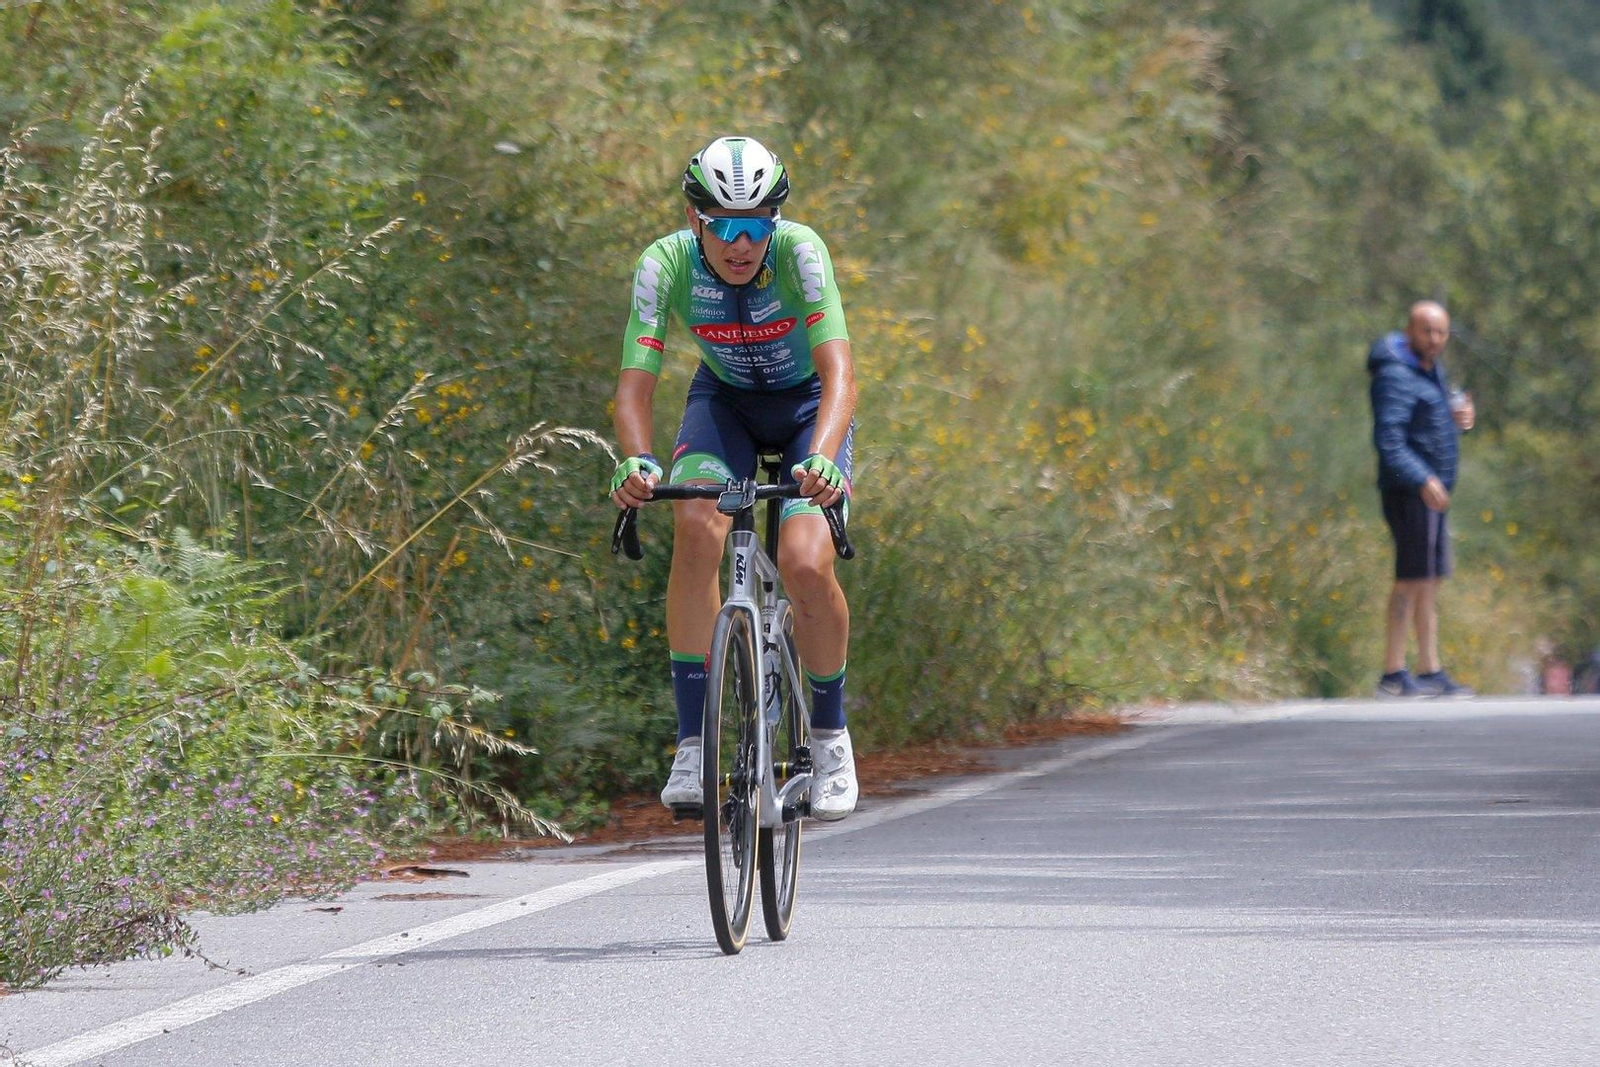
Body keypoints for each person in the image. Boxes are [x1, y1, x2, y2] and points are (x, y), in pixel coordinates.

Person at [608, 135, 860, 819]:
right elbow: (635, 386)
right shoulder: (664, 265)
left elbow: (840, 372)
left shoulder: (801, 253)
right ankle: (693, 744)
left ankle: (831, 736)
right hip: (724, 406)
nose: (740, 244)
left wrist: (824, 456)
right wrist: (634, 458)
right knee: (695, 523)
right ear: (697, 222)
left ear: (774, 222)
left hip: (810, 408)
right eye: (724, 227)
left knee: (806, 563)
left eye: (755, 227)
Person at [1367, 300, 1476, 697]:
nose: (1434, 339)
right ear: (1410, 331)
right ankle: (1393, 673)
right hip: (1410, 491)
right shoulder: (1395, 374)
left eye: (1441, 332)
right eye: (1426, 331)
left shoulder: (1428, 371)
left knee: (1428, 581)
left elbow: (1427, 425)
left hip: (1432, 491)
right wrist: (1422, 479)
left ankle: (1429, 670)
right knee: (1409, 580)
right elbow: (1390, 440)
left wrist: (1459, 421)